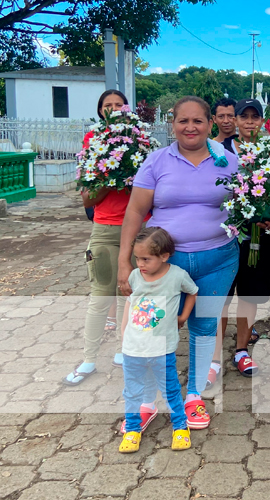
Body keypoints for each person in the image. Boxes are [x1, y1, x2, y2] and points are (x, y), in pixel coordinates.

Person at [118, 96, 239, 430]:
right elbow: (134, 212)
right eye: (183, 121)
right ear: (172, 124)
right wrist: (123, 262)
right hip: (162, 269)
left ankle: (194, 397)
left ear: (210, 123)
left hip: (219, 260)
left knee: (203, 328)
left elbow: (248, 202)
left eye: (197, 121)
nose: (190, 127)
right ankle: (145, 403)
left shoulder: (228, 161)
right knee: (149, 332)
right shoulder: (157, 162)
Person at [63, 89, 134, 386]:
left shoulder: (137, 142)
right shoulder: (92, 143)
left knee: (127, 293)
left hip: (136, 229)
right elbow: (87, 200)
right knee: (100, 295)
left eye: (119, 104)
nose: (114, 109)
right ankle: (89, 359)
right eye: (108, 106)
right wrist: (113, 173)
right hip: (105, 229)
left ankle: (122, 350)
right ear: (100, 111)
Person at [119, 227, 197, 453]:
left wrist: (183, 316)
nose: (140, 264)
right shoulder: (134, 276)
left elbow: (193, 292)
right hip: (133, 348)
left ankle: (180, 427)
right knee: (132, 391)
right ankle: (133, 428)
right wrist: (124, 334)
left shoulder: (177, 275)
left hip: (162, 349)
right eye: (137, 258)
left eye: (146, 259)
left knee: (170, 389)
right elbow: (129, 304)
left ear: (164, 256)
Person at [217, 98, 270, 381]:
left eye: (256, 117)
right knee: (223, 294)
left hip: (258, 234)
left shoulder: (269, 153)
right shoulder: (220, 152)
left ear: (262, 122)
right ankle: (214, 352)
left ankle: (241, 349)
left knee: (250, 293)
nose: (250, 121)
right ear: (236, 121)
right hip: (226, 235)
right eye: (245, 116)